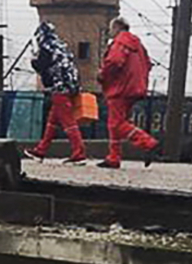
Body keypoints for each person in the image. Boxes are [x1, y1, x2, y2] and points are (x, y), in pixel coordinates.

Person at [97, 17, 159, 169]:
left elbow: (114, 61)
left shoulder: (120, 42)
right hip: (135, 87)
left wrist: (102, 75)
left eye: (111, 29)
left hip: (120, 88)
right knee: (115, 123)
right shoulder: (138, 45)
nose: (110, 32)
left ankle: (148, 142)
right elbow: (148, 64)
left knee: (117, 124)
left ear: (117, 27)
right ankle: (113, 157)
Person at [27, 21, 87, 163]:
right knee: (52, 122)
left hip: (60, 88)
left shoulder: (46, 47)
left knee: (68, 121)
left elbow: (42, 66)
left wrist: (33, 61)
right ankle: (41, 150)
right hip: (71, 86)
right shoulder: (61, 46)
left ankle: (79, 152)